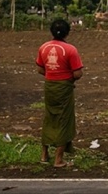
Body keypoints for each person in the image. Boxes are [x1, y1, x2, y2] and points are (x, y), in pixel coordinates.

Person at [36, 19, 84, 168]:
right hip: (64, 87)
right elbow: (77, 74)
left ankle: (44, 154)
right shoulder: (70, 50)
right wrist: (65, 77)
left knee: (49, 117)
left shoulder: (43, 47)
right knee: (64, 120)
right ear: (67, 33)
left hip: (49, 86)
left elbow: (40, 69)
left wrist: (52, 74)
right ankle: (59, 159)